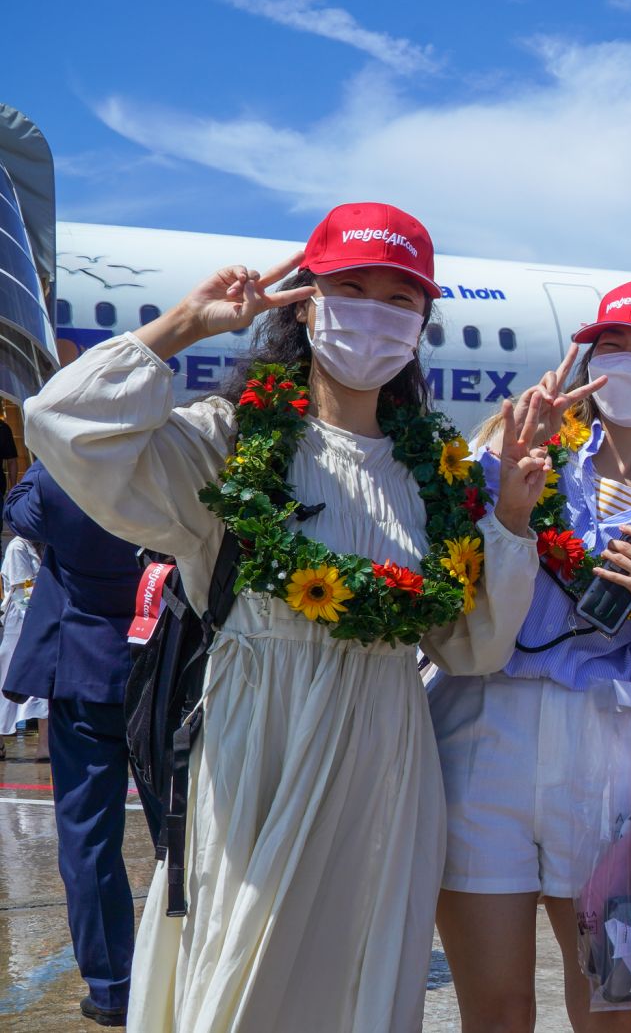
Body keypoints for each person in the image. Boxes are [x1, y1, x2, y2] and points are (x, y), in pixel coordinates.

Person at [22, 202, 548, 1032]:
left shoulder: (434, 478)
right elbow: (65, 426)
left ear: (422, 322)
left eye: (399, 299)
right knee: (246, 974)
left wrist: (510, 523)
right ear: (304, 300)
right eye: (352, 287)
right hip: (255, 745)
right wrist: (185, 325)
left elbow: (468, 647)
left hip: (386, 759)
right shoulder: (230, 442)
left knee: (361, 984)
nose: (374, 313)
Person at [428, 279, 631, 1033]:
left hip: (609, 754)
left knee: (608, 1007)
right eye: (611, 345)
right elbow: (456, 596)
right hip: (484, 734)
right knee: (498, 1010)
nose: (625, 362)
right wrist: (506, 488)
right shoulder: (518, 449)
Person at [0, 463, 151, 1026]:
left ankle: (112, 989)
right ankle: (187, 971)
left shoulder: (60, 473)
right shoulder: (173, 462)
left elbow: (16, 509)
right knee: (181, 837)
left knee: (87, 839)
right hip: (162, 670)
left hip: (83, 670)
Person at [0, 532, 45, 759]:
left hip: (41, 620)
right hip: (20, 622)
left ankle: (45, 745)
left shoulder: (50, 545)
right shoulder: (18, 547)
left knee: (44, 688)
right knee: (7, 681)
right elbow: (22, 592)